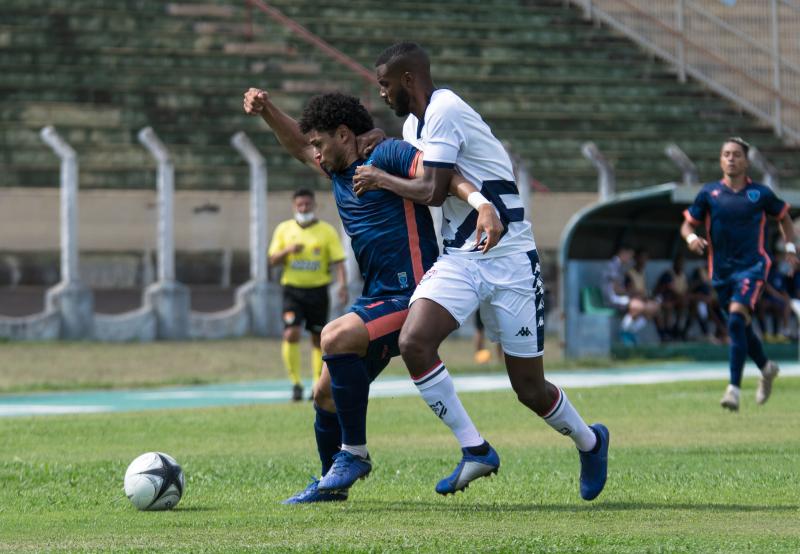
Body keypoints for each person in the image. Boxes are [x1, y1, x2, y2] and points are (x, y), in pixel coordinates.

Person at [352, 41, 609, 501]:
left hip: (510, 258)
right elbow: (434, 173)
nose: (383, 94)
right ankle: (475, 449)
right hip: (462, 256)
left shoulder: (446, 108)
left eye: (385, 84)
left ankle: (590, 441)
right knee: (414, 342)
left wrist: (379, 176)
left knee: (528, 388)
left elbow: (432, 188)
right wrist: (389, 148)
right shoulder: (414, 123)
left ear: (408, 79)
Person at [243, 88, 502, 503]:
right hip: (377, 298)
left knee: (333, 336)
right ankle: (332, 483)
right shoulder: (337, 168)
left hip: (415, 293)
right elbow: (296, 144)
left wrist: (481, 203)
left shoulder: (385, 154)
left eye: (320, 143)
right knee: (323, 393)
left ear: (344, 134)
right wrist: (268, 110)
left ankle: (355, 454)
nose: (315, 154)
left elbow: (441, 176)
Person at [681, 136, 798, 411]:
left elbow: (783, 217)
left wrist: (791, 247)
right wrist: (692, 240)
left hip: (753, 266)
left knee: (735, 319)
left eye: (736, 154)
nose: (730, 158)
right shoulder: (709, 194)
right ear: (720, 160)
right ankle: (766, 367)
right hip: (721, 271)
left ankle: (733, 389)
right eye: (726, 154)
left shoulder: (760, 193)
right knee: (740, 325)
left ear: (746, 161)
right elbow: (687, 226)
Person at [268, 188, 347, 401]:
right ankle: (295, 383)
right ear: (294, 207)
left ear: (314, 206)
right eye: (300, 205)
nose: (304, 209)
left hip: (318, 291)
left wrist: (342, 286)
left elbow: (339, 261)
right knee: (291, 333)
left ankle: (316, 383)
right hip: (292, 291)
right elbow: (273, 259)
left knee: (317, 338)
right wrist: (287, 251)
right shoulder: (284, 230)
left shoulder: (326, 231)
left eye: (307, 205)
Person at [602, 244, 660, 345]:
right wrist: (633, 293)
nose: (631, 259)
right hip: (612, 299)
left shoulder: (621, 266)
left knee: (652, 308)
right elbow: (616, 290)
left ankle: (630, 332)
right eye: (630, 255)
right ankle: (623, 332)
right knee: (639, 306)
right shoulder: (614, 265)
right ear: (623, 253)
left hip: (620, 297)